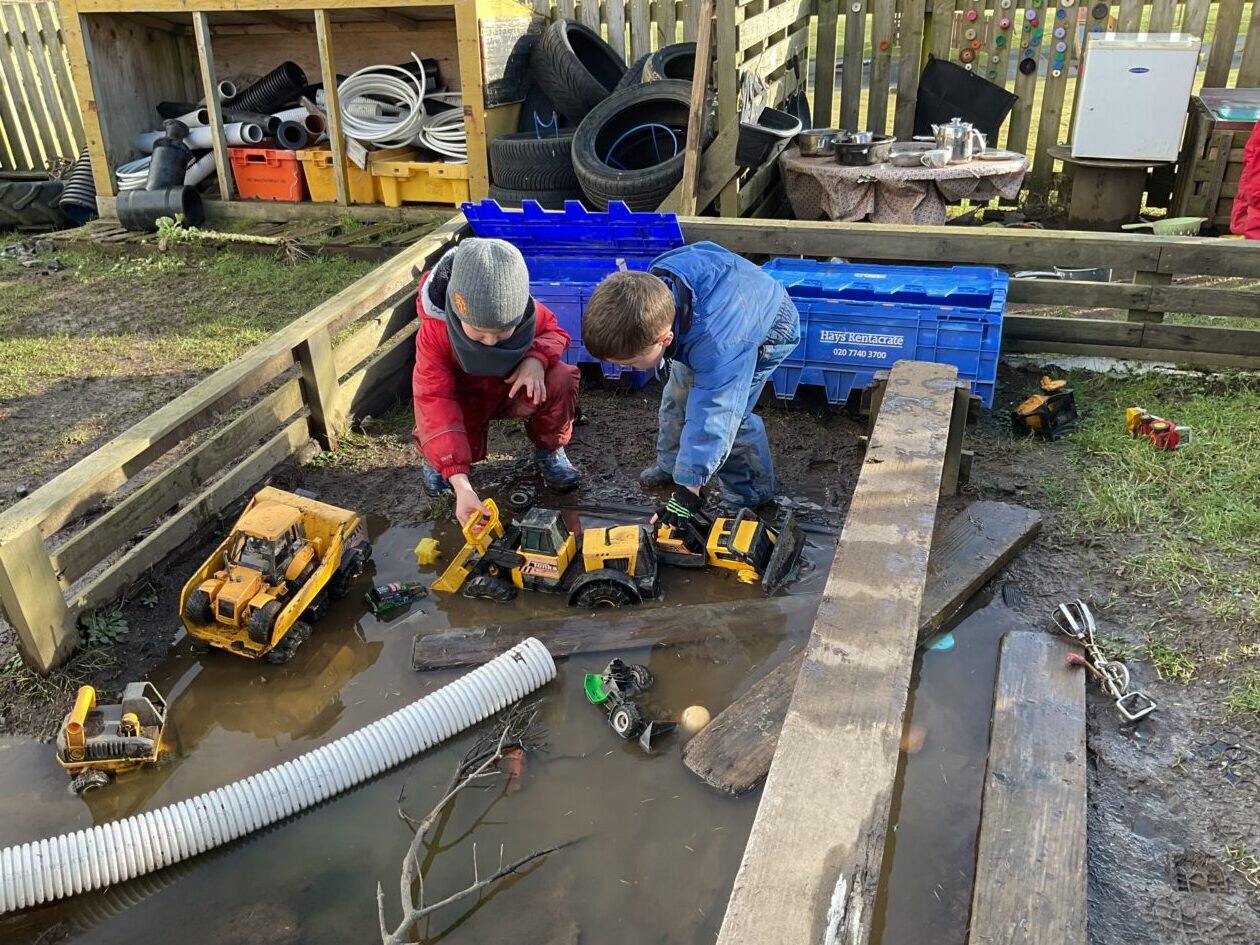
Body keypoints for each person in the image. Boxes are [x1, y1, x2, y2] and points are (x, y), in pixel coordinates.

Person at [581, 241, 800, 528]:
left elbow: (717, 412)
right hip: (714, 310)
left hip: (765, 327)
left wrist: (690, 489)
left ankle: (751, 491)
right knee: (678, 396)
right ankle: (673, 465)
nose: (622, 369)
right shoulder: (656, 287)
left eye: (630, 362)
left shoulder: (719, 348)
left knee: (732, 420)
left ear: (664, 339)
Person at [412, 238, 580, 524]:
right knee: (438, 423)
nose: (490, 341)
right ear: (457, 310)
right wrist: (461, 484)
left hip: (509, 390)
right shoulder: (435, 333)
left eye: (502, 333)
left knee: (562, 377)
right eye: (479, 332)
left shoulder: (524, 310)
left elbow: (555, 332)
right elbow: (434, 400)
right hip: (465, 401)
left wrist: (536, 359)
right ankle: (441, 463)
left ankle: (550, 450)